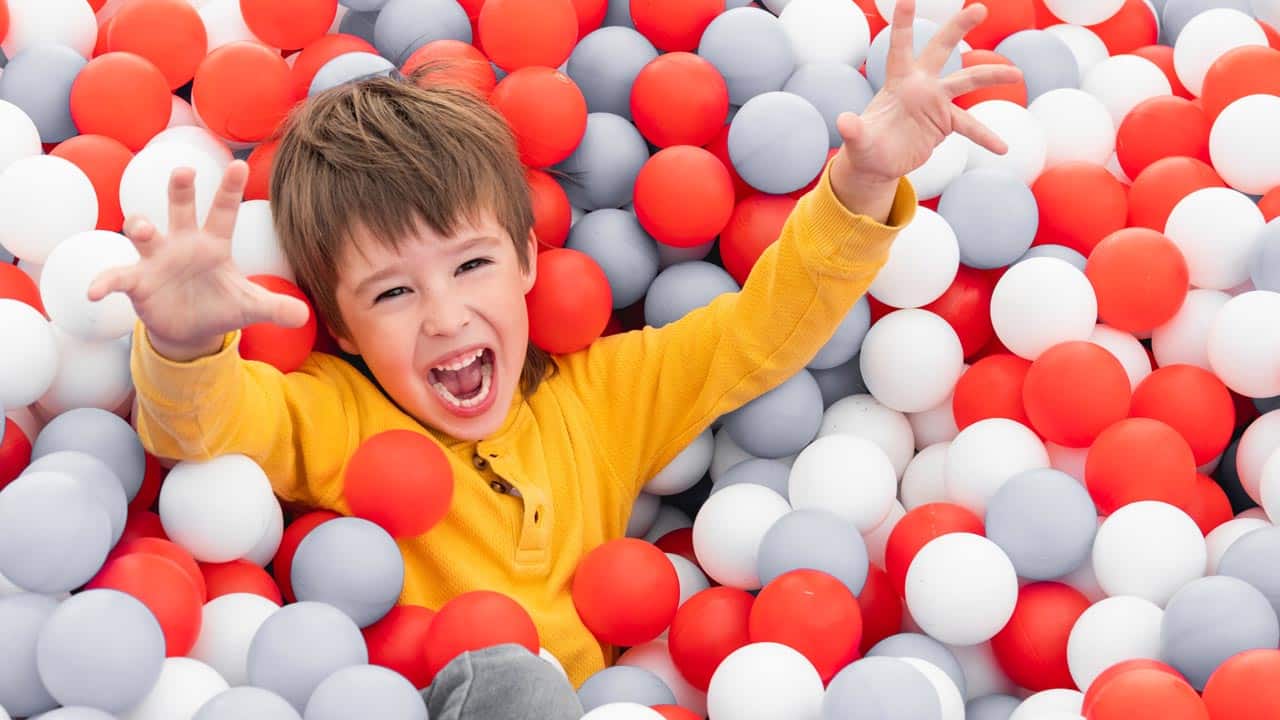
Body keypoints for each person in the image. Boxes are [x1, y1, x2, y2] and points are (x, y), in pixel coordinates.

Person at [88, 1, 1019, 716]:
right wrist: (183, 336)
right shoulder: (331, 413)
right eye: (393, 293)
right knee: (507, 679)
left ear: (530, 260)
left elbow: (759, 333)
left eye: (472, 265)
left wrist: (862, 180)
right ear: (337, 326)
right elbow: (201, 432)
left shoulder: (603, 397)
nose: (447, 317)